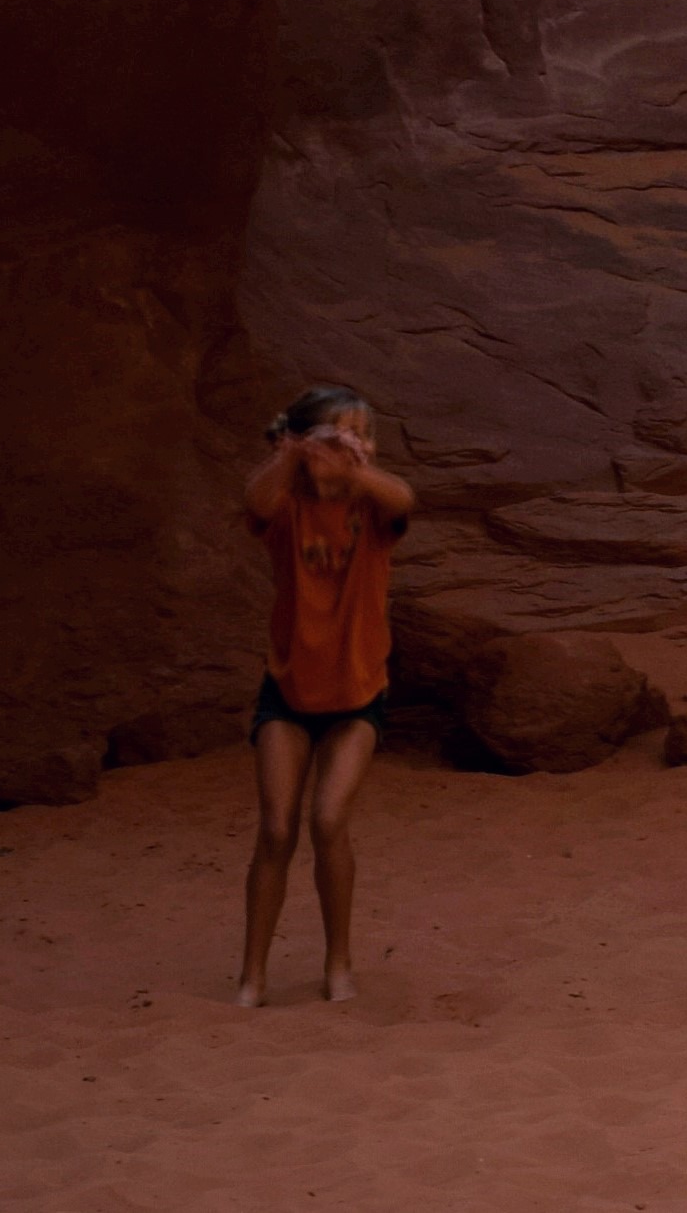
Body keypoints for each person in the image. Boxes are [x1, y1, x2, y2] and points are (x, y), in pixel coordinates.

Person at [239, 384, 414, 1008]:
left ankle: (338, 963)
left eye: (362, 437)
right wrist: (292, 455)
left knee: (328, 819)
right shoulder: (286, 507)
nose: (354, 449)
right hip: (287, 691)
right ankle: (251, 976)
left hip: (357, 692)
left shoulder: (372, 512)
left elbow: (403, 497)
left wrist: (354, 467)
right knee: (277, 829)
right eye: (340, 436)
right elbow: (255, 499)